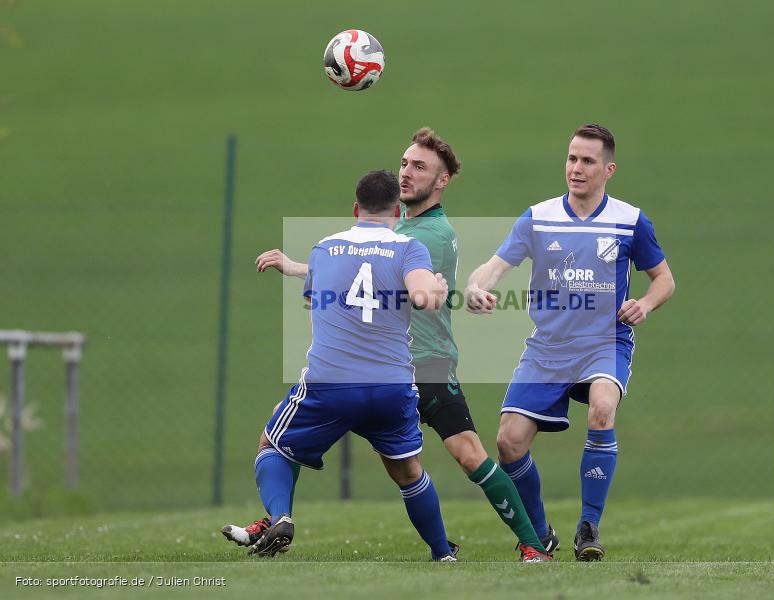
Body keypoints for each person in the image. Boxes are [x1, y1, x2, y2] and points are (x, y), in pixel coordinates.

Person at [224, 129, 551, 562]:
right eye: (403, 163)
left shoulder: (427, 236)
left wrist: (306, 269)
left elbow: (369, 271)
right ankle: (278, 518)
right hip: (392, 371)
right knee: (400, 466)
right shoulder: (404, 234)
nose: (406, 173)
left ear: (442, 181)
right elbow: (365, 266)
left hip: (424, 363)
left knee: (467, 454)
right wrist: (299, 266)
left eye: (419, 167)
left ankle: (534, 539)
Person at [464, 124, 675, 561]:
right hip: (548, 347)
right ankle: (541, 533)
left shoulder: (630, 221)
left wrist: (646, 305)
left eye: (587, 161)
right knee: (508, 441)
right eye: (571, 158)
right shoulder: (538, 217)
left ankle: (588, 526)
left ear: (608, 169)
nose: (576, 168)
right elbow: (493, 268)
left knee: (602, 409)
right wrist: (474, 287)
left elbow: (665, 280)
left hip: (604, 342)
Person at [241, 169, 457, 560]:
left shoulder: (325, 248)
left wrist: (296, 269)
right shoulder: (408, 248)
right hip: (390, 388)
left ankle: (281, 517)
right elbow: (423, 296)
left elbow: (321, 299)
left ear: (356, 208)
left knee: (272, 443)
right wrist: (436, 290)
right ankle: (443, 552)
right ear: (397, 211)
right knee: (408, 473)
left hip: (330, 384)